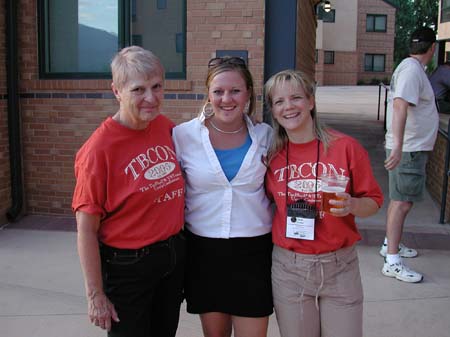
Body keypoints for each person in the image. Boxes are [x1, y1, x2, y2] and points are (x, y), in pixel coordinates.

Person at [72, 46, 186, 337]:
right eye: (138, 89)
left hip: (171, 258)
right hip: (129, 268)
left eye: (157, 86)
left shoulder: (163, 126)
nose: (150, 98)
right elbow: (86, 230)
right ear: (117, 91)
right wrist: (95, 294)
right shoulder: (99, 151)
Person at [264, 69, 383, 337]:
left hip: (340, 266)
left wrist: (352, 205)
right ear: (273, 111)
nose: (288, 107)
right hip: (290, 268)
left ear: (311, 101)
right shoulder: (271, 155)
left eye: (296, 98)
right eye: (279, 102)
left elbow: (374, 201)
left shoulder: (345, 147)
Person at [172, 56, 273, 337]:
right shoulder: (183, 136)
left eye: (235, 91)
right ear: (208, 94)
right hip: (204, 253)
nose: (226, 99)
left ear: (249, 93)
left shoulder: (267, 136)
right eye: (218, 91)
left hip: (254, 253)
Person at [381, 27, 438, 283]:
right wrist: (398, 146)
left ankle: (390, 245)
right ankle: (392, 260)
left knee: (400, 200)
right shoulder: (412, 70)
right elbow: (400, 107)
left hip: (409, 147)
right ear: (432, 48)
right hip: (409, 149)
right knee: (402, 202)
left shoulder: (410, 68)